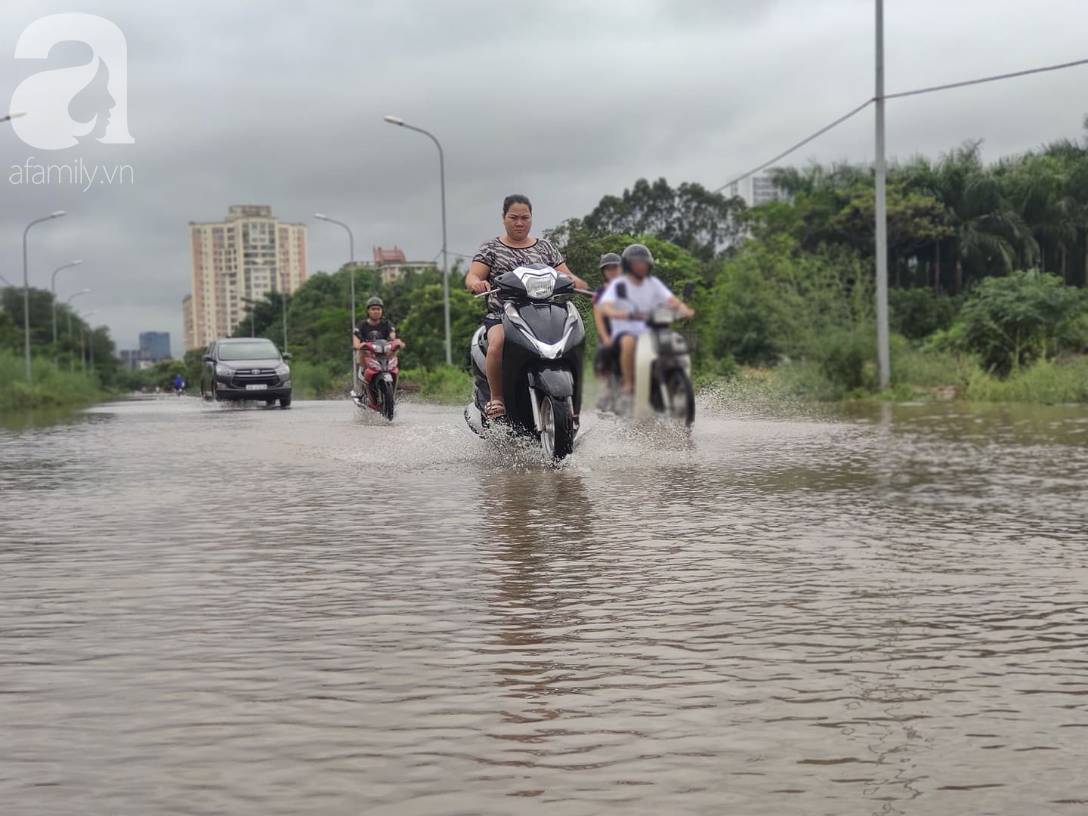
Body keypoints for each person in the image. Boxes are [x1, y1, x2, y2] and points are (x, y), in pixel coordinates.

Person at [465, 194, 588, 419]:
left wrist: (578, 283)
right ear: (504, 218)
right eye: (514, 217)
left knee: (575, 338)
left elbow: (566, 275)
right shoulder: (491, 248)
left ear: (531, 219)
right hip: (503, 314)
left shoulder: (546, 248)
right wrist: (477, 283)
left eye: (525, 217)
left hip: (546, 312)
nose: (519, 222)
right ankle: (497, 399)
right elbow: (473, 275)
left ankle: (575, 402)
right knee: (497, 343)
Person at [598, 243, 694, 398]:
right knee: (628, 342)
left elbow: (671, 300)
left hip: (648, 329)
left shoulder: (653, 283)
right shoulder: (618, 285)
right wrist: (619, 313)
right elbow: (605, 306)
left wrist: (685, 310)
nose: (640, 267)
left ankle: (674, 380)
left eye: (643, 263)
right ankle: (628, 383)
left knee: (673, 341)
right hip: (625, 330)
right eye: (636, 264)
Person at [352, 296, 402, 398]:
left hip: (385, 354)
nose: (376, 311)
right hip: (368, 355)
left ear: (382, 311)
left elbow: (393, 336)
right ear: (368, 311)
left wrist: (397, 343)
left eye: (378, 309)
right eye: (373, 309)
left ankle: (393, 388)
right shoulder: (361, 325)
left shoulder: (387, 324)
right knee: (361, 351)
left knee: (395, 348)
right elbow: (356, 342)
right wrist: (360, 345)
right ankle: (361, 387)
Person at [592, 252, 622, 407]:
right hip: (609, 335)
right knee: (603, 353)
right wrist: (605, 338)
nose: (612, 271)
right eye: (608, 268)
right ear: (603, 272)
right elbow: (599, 320)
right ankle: (605, 391)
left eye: (615, 267)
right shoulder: (600, 293)